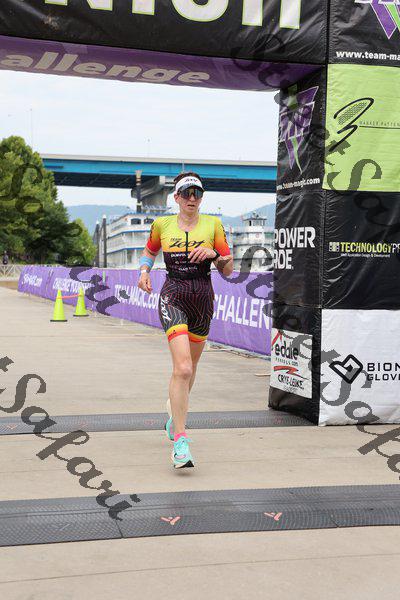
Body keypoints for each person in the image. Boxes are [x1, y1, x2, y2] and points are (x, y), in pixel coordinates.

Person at [138, 172, 233, 469]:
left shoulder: (213, 225)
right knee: (183, 368)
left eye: (198, 193)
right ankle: (180, 441)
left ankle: (174, 417)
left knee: (191, 369)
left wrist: (215, 254)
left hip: (202, 298)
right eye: (187, 193)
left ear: (202, 197)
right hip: (173, 296)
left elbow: (228, 269)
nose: (193, 198)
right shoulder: (162, 225)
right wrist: (144, 271)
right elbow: (150, 250)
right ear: (176, 197)